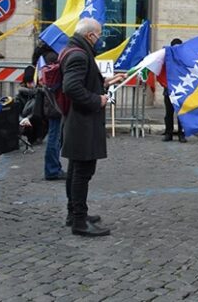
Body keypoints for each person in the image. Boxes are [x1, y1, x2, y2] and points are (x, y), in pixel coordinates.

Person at [61, 18, 125, 237]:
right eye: (99, 35)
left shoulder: (76, 50)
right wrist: (97, 100)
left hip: (77, 121)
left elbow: (83, 81)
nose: (100, 39)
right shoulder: (79, 55)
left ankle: (75, 213)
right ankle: (79, 221)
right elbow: (72, 87)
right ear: (90, 36)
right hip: (82, 122)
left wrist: (106, 82)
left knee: (76, 169)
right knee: (82, 171)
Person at [40, 50, 66, 180]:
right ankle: (52, 170)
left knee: (55, 138)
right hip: (55, 106)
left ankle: (53, 168)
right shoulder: (55, 69)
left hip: (51, 106)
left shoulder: (46, 68)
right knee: (54, 138)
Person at [163, 38, 186, 143]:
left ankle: (182, 134)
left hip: (181, 89)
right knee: (169, 113)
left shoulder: (184, 59)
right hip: (168, 89)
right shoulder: (167, 58)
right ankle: (169, 133)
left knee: (181, 113)